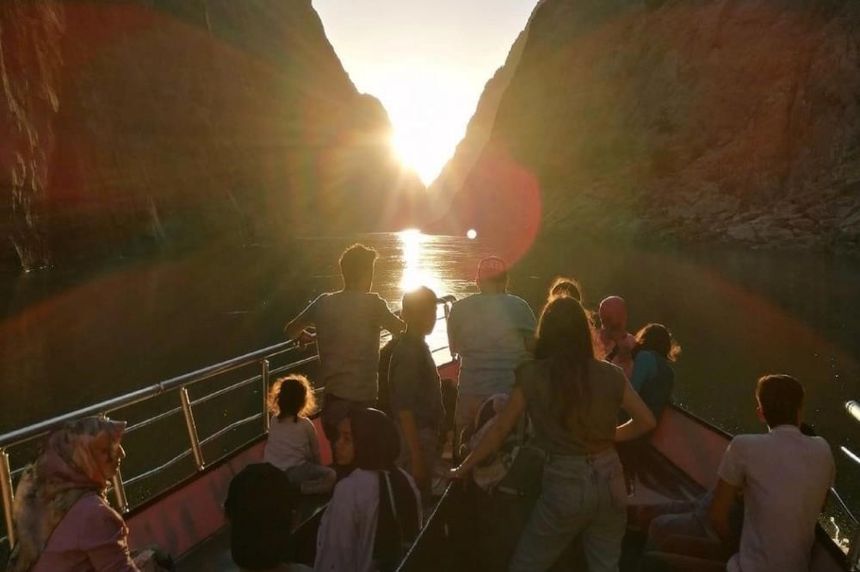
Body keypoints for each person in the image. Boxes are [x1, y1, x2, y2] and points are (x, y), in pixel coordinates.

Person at [451, 297, 657, 572]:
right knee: (605, 566)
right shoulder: (612, 374)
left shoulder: (533, 375)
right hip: (612, 479)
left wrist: (463, 466)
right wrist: (610, 437)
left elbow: (500, 429)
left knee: (526, 565)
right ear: (584, 333)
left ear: (545, 332)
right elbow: (646, 421)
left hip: (566, 482)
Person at [708, 374, 834, 572]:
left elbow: (716, 517)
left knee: (659, 557)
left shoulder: (743, 445)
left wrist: (737, 550)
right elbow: (821, 504)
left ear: (760, 413)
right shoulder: (823, 448)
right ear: (800, 412)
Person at [284, 244, 404, 443]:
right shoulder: (374, 304)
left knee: (341, 459)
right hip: (364, 404)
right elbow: (402, 330)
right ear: (366, 273)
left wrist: (306, 335)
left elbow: (291, 329)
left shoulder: (324, 303)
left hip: (333, 405)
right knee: (364, 458)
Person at [7, 416, 141, 572]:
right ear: (81, 458)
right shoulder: (95, 514)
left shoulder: (47, 506)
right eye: (106, 449)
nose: (121, 453)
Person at [315, 408, 422, 572]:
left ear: (367, 441)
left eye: (347, 438)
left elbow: (336, 559)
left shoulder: (350, 490)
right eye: (339, 437)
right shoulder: (404, 479)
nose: (337, 444)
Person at [447, 256, 536, 436]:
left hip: (470, 391)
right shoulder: (520, 306)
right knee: (508, 446)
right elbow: (533, 349)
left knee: (466, 440)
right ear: (505, 281)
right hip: (507, 394)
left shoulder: (458, 308)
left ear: (478, 281)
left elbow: (454, 348)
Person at [387, 286, 444, 495]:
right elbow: (404, 409)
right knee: (415, 496)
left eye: (434, 312)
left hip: (421, 436)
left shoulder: (417, 346)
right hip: (414, 438)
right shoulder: (410, 353)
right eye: (428, 311)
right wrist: (417, 457)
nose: (433, 317)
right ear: (410, 315)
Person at [264, 375, 336, 495]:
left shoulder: (274, 420)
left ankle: (284, 488)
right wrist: (316, 469)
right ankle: (302, 489)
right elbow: (315, 453)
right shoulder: (306, 425)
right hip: (294, 473)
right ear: (302, 402)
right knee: (331, 475)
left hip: (271, 472)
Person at [629, 324, 680, 418]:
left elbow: (631, 391)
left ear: (645, 338)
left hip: (634, 418)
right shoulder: (669, 371)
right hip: (653, 423)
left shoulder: (644, 357)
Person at [597, 296, 636, 379]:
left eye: (608, 319)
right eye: (602, 320)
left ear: (622, 316)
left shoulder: (634, 344)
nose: (604, 325)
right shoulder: (594, 343)